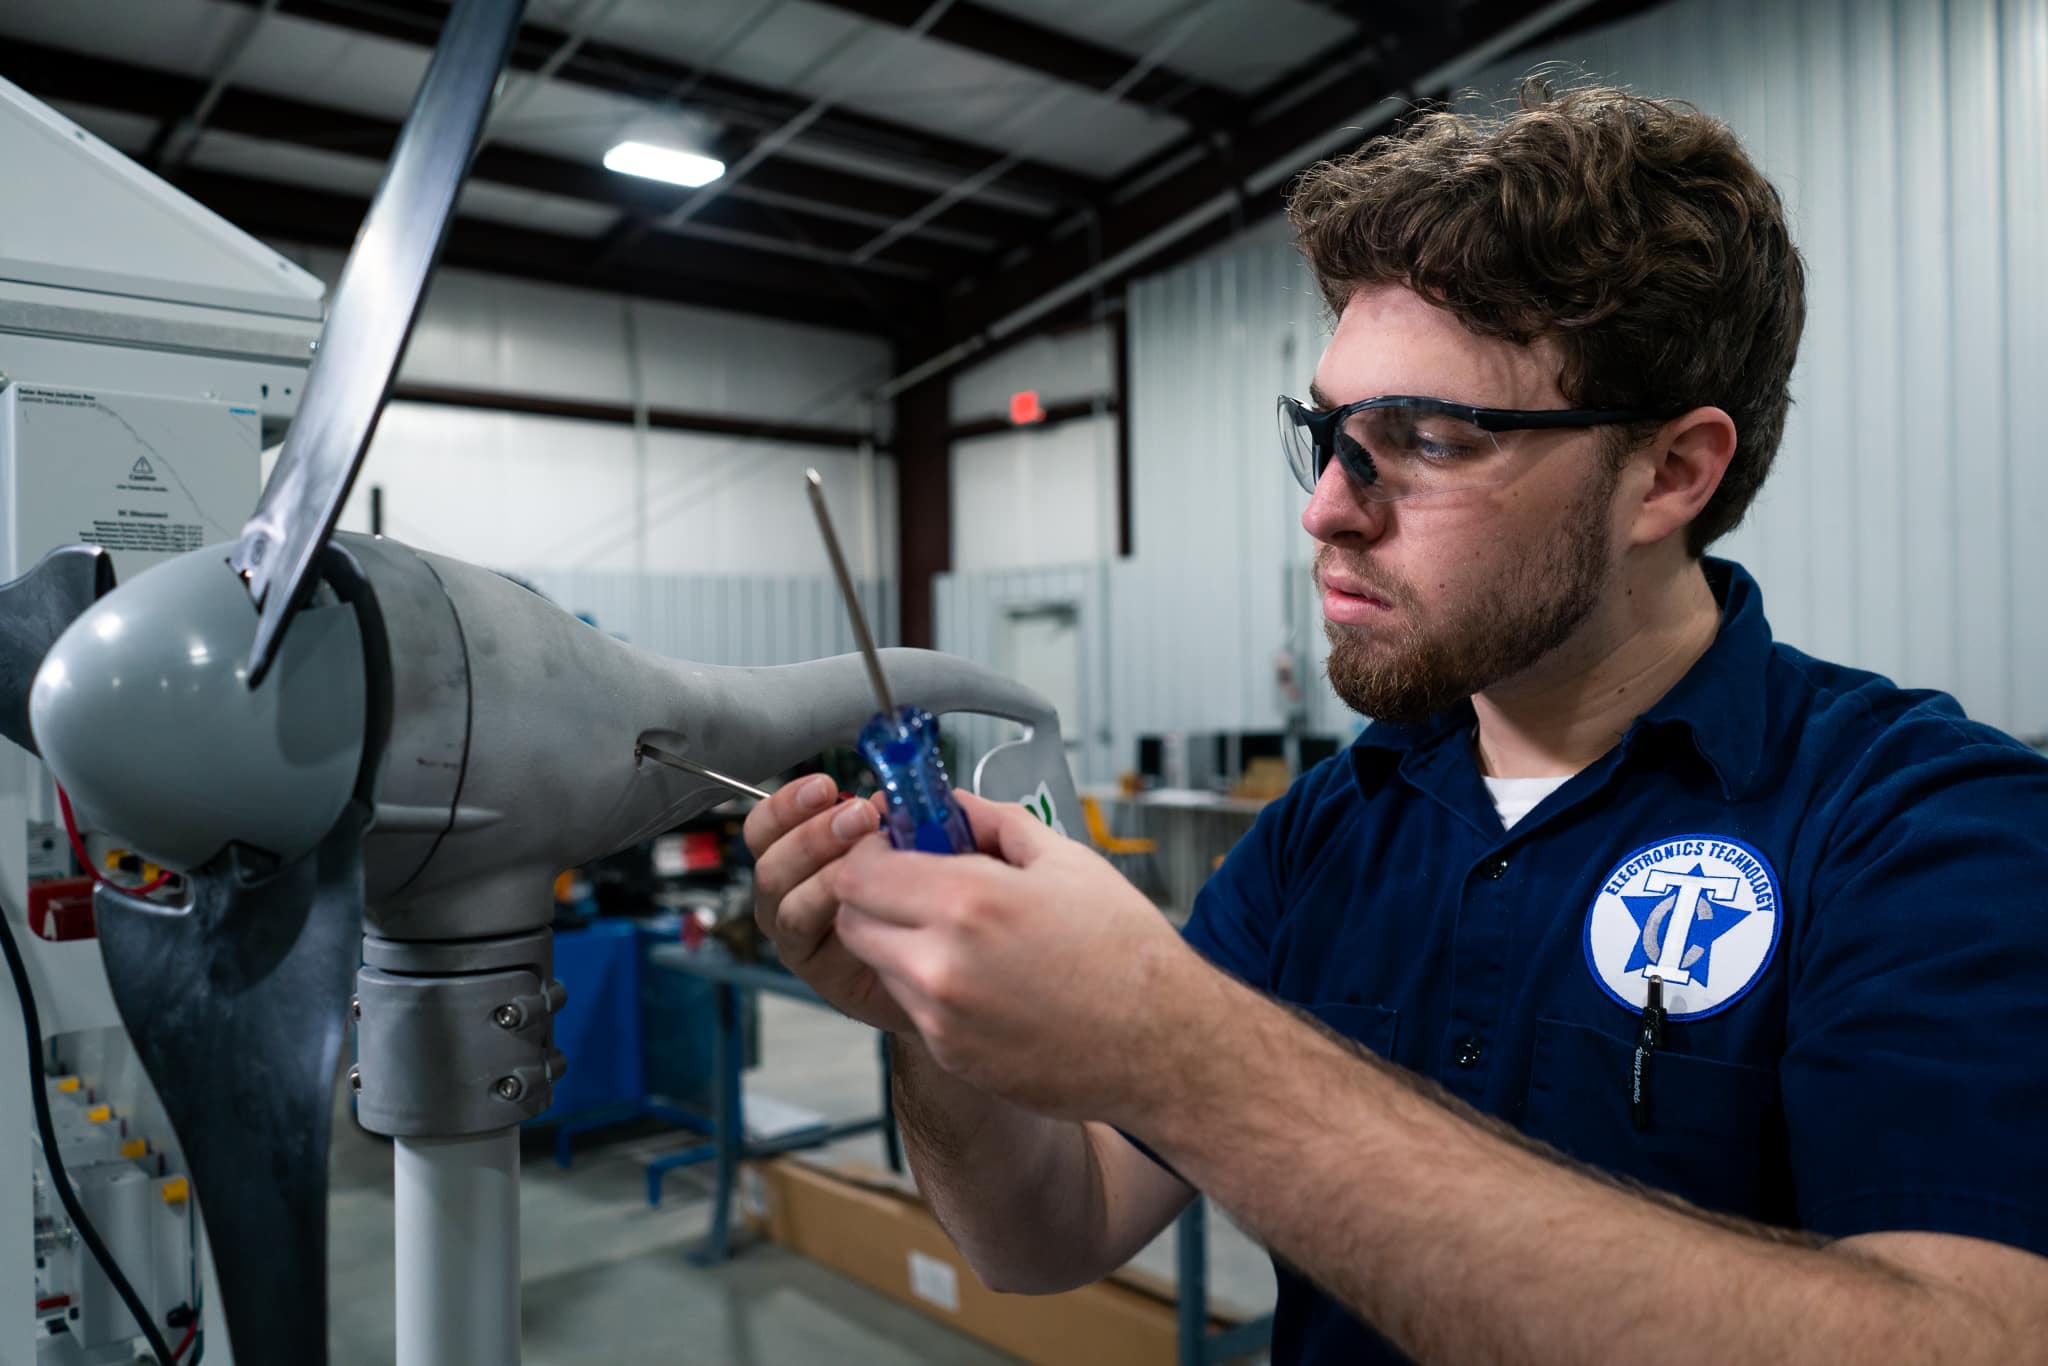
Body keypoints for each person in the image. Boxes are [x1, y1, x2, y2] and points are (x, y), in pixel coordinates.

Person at [744, 83, 2048, 1364]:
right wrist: (941, 1024)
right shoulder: (1331, 827)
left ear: (1669, 472)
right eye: (1327, 431)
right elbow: (1049, 1233)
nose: (1326, 508)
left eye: (1421, 438)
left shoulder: (1918, 831)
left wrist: (1191, 1055)